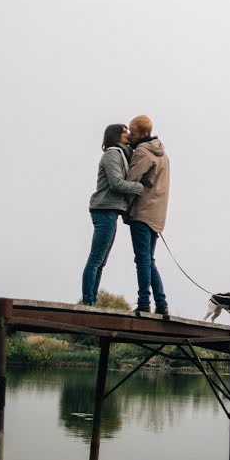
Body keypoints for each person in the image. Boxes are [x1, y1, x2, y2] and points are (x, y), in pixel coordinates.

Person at [81, 124, 145, 306]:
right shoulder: (112, 154)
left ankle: (91, 301)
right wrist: (140, 188)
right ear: (116, 135)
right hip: (104, 209)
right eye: (124, 131)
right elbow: (116, 183)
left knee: (101, 260)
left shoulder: (123, 153)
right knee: (96, 258)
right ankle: (88, 303)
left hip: (111, 210)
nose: (128, 134)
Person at [125, 114, 171, 315]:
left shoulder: (143, 152)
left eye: (132, 132)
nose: (129, 135)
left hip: (142, 211)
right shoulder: (163, 154)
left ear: (143, 133)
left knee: (142, 259)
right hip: (157, 213)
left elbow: (131, 181)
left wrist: (125, 210)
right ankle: (161, 303)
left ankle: (144, 302)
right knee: (148, 259)